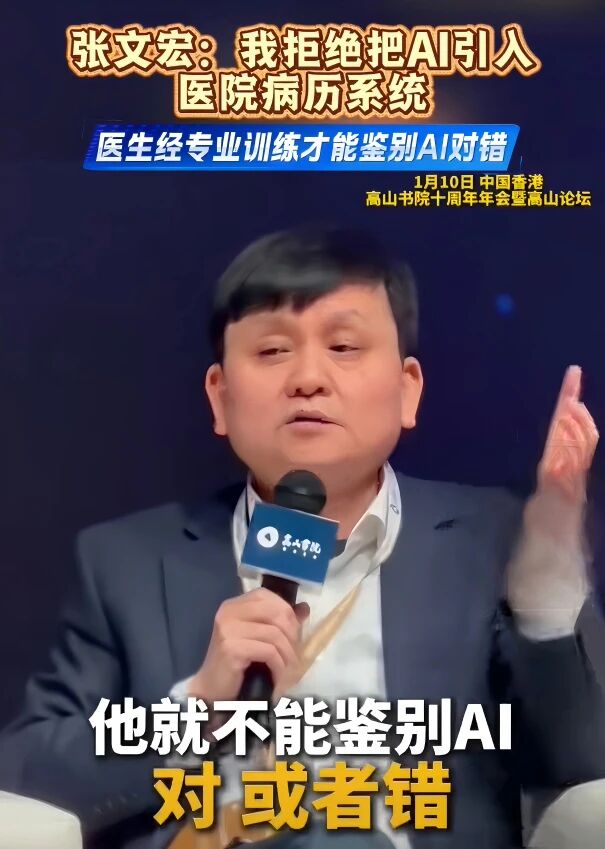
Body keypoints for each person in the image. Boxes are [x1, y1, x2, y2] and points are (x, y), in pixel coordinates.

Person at [0, 226, 604, 849]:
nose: (308, 378)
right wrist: (194, 711)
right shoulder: (125, 563)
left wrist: (551, 580)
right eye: (272, 351)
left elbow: (583, 764)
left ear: (408, 389)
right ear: (220, 397)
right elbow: (26, 773)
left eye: (343, 346)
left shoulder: (495, 541)